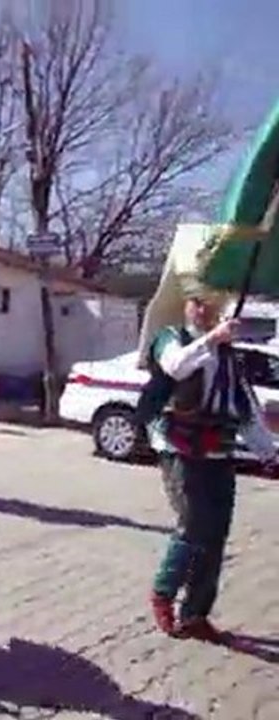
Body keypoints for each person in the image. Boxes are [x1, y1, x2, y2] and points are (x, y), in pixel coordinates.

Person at [137, 223, 278, 643]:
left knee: (215, 536)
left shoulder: (228, 355)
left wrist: (268, 452)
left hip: (219, 449)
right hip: (179, 446)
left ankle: (196, 613)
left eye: (211, 306)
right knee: (194, 526)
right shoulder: (171, 339)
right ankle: (163, 593)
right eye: (198, 304)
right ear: (187, 306)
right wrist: (211, 340)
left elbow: (245, 406)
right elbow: (176, 366)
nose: (204, 310)